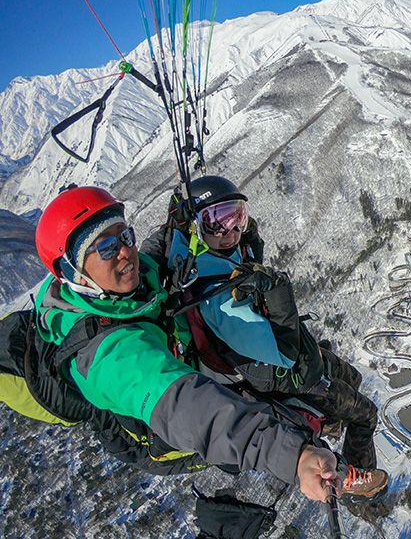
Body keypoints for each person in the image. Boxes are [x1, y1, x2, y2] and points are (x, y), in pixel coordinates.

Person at [33, 185, 340, 502]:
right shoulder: (107, 356)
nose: (125, 251)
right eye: (107, 247)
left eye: (125, 237)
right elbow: (189, 408)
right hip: (163, 434)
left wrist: (178, 222)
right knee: (282, 417)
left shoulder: (130, 280)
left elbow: (157, 253)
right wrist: (294, 458)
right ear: (73, 271)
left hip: (181, 363)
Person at [143, 175, 387, 498]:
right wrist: (278, 289)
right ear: (197, 227)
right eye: (217, 222)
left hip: (274, 359)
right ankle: (355, 482)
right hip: (282, 373)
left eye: (236, 217)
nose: (230, 231)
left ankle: (331, 423)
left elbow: (179, 234)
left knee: (351, 378)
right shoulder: (220, 302)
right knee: (365, 413)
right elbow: (292, 361)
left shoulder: (192, 254)